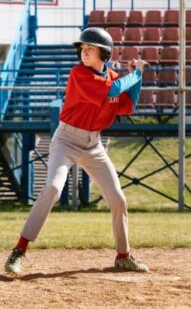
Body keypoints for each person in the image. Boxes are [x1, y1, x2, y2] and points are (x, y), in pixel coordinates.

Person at [4, 27, 149, 276]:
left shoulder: (114, 77)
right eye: (82, 48)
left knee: (118, 199)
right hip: (66, 140)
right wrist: (135, 73)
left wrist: (138, 78)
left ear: (104, 54)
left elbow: (128, 105)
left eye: (90, 49)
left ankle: (123, 256)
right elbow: (114, 91)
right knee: (52, 188)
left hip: (94, 145)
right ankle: (19, 251)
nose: (84, 52)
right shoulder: (79, 74)